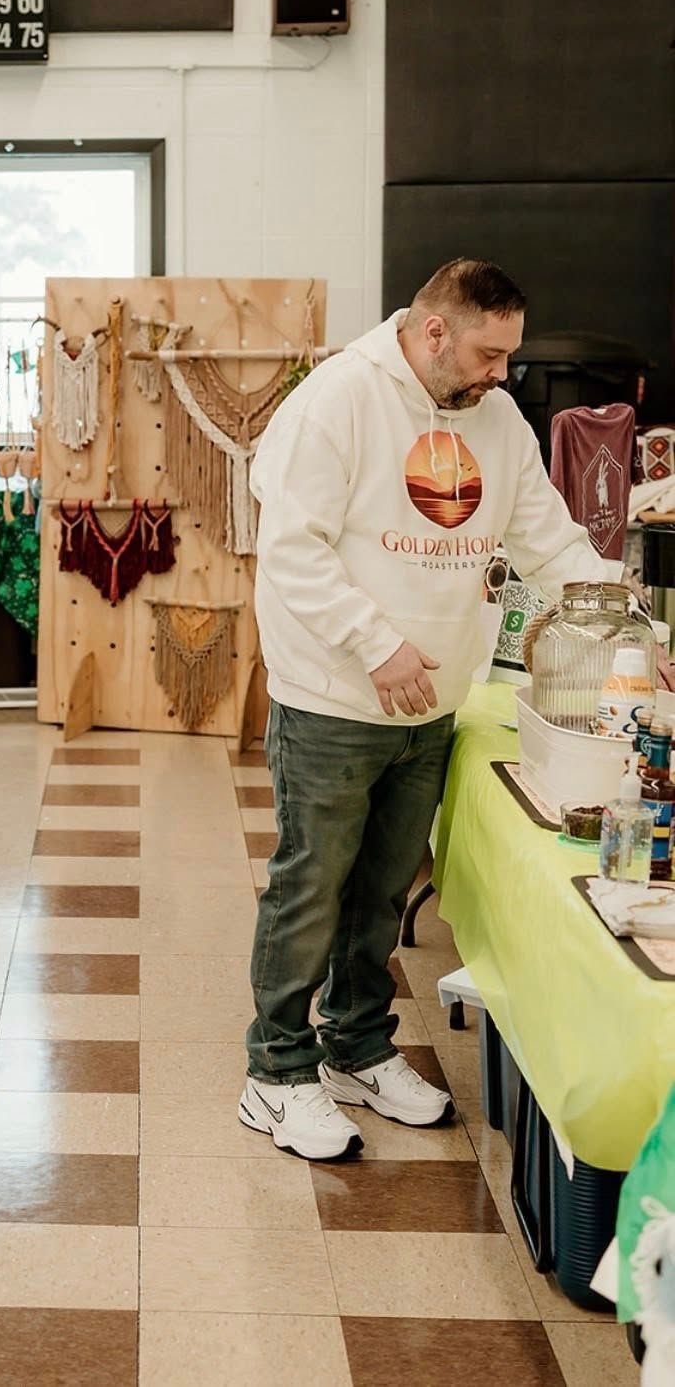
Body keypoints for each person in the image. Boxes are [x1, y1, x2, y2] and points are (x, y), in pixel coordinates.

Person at [239, 258, 653, 1159]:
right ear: (433, 331)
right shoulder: (339, 398)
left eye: (509, 353)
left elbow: (547, 539)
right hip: (333, 697)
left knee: (383, 892)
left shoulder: (496, 419)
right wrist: (375, 645)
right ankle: (274, 1072)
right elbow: (292, 548)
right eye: (488, 351)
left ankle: (354, 1048)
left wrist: (633, 620)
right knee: (312, 887)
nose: (504, 371)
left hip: (431, 704)